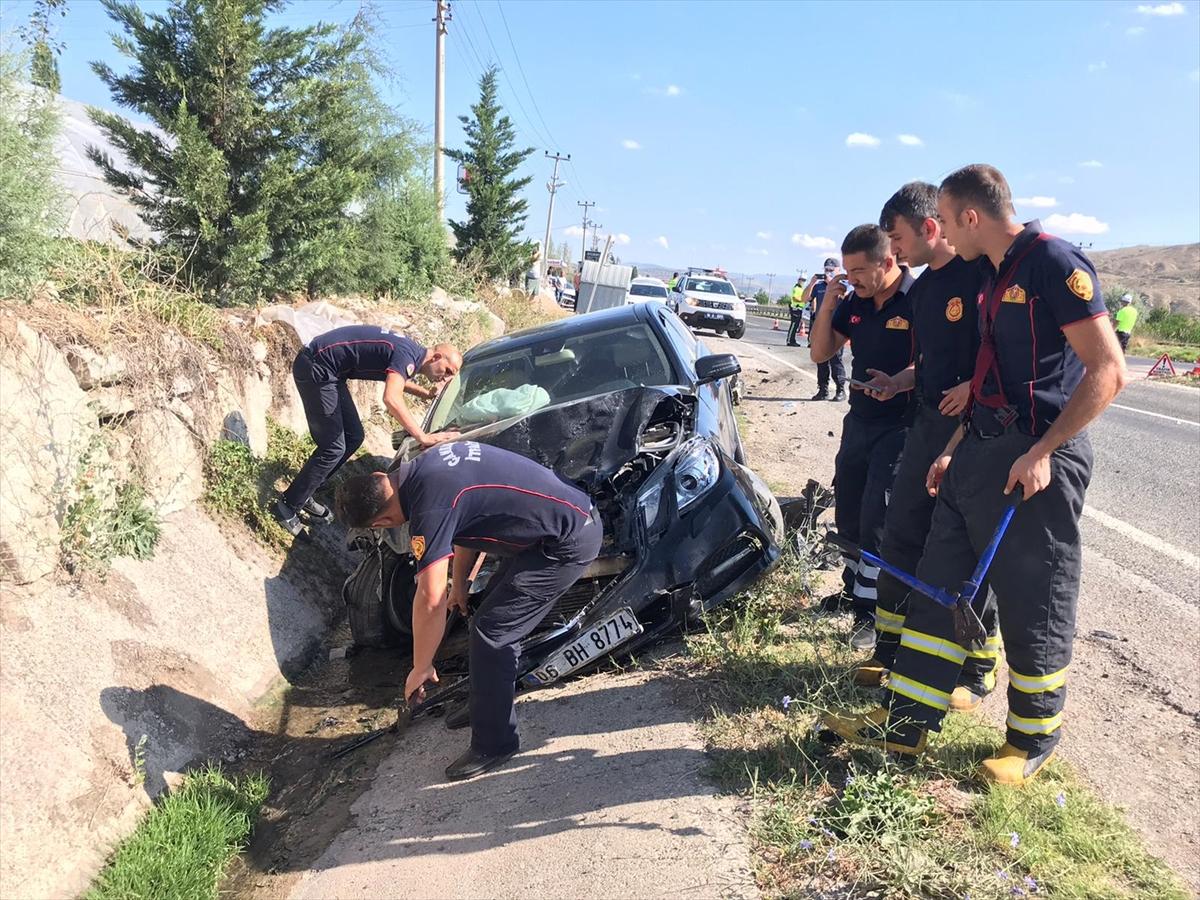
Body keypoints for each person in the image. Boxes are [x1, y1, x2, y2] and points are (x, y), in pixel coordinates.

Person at [822, 164, 1127, 786]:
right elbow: (987, 374)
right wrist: (953, 445)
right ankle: (904, 722)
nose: (940, 239)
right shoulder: (993, 274)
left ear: (968, 216)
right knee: (940, 586)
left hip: (1035, 457)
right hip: (978, 451)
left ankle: (1031, 739)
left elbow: (1108, 371)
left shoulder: (1051, 262)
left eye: (945, 220)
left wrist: (1044, 449)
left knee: (1034, 596)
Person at [334, 442, 603, 781]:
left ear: (383, 522)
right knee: (487, 618)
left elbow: (429, 597)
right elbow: (462, 526)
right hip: (548, 533)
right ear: (378, 476)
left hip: (567, 540)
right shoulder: (421, 469)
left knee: (494, 631)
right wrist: (459, 584)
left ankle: (496, 742)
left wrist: (421, 666)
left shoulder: (427, 506)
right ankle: (486, 702)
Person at [854, 182, 1000, 712]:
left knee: (965, 549)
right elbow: (930, 363)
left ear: (930, 228)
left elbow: (1001, 352)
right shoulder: (923, 291)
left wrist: (975, 387)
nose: (892, 251)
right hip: (927, 425)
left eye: (896, 238)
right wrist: (900, 381)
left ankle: (977, 665)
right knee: (903, 533)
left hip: (977, 429)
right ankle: (891, 647)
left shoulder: (981, 273)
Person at [809, 226, 916, 650]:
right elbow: (820, 353)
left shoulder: (918, 300)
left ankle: (873, 614)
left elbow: (939, 364)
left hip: (902, 426)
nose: (851, 278)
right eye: (847, 270)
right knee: (849, 510)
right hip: (861, 421)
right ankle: (853, 589)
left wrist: (899, 383)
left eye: (858, 270)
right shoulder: (854, 302)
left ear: (887, 262)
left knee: (878, 518)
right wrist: (829, 304)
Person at [274, 325, 462, 536]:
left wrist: (424, 393)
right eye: (447, 371)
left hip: (331, 371)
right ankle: (287, 505)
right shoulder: (406, 355)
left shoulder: (410, 354)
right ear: (436, 357)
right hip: (316, 365)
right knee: (333, 448)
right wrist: (422, 436)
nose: (445, 378)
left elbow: (397, 379)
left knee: (354, 436)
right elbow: (391, 397)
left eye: (450, 378)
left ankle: (306, 490)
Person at [802, 258, 849, 400]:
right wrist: (811, 283)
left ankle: (840, 390)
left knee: (835, 358)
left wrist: (832, 285)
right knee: (821, 358)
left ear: (838, 271)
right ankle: (823, 389)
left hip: (836, 326)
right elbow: (804, 298)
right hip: (821, 326)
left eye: (831, 270)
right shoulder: (819, 286)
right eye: (826, 270)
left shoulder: (843, 285)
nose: (828, 272)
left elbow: (847, 299)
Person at [787, 275, 807, 346]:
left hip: (799, 309)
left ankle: (793, 340)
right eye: (801, 280)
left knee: (796, 326)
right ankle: (789, 340)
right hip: (795, 308)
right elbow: (795, 298)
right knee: (794, 325)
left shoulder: (801, 289)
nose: (803, 281)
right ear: (798, 280)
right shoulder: (796, 288)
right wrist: (803, 300)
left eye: (804, 280)